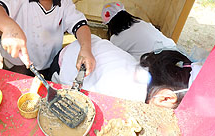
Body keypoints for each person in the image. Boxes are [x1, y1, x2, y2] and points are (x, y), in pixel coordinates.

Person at [51, 35, 203, 108]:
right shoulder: (126, 95)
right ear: (165, 98)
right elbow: (80, 102)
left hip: (86, 45)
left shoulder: (147, 73)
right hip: (68, 61)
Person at [101, 2, 176, 61]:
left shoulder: (117, 38)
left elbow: (112, 58)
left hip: (160, 64)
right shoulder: (141, 23)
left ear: (110, 24)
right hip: (175, 52)